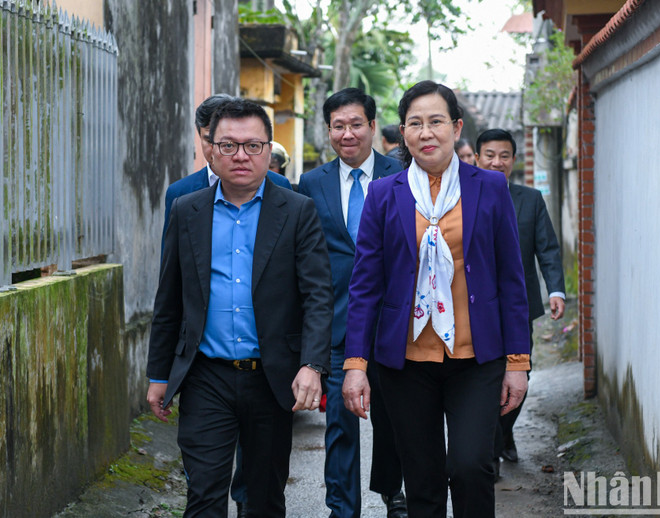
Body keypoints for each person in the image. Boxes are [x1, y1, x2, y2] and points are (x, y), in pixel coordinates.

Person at [341, 80, 531, 517]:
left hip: (477, 358)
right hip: (405, 363)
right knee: (422, 481)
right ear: (403, 134)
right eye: (415, 123)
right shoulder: (384, 194)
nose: (426, 132)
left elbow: (511, 279)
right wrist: (355, 366)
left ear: (456, 127)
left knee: (470, 466)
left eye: (436, 122)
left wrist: (518, 364)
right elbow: (365, 284)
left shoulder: (489, 188)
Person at [147, 99, 334, 517]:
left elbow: (318, 296)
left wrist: (312, 365)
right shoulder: (187, 210)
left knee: (265, 497)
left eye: (253, 146)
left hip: (271, 377)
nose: (241, 156)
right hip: (206, 377)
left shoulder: (297, 211)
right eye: (229, 145)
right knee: (205, 495)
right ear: (210, 149)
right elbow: (170, 299)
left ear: (269, 150)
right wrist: (159, 374)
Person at [299, 88, 407, 518]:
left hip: (394, 320)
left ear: (372, 126)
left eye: (355, 124)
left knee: (394, 419)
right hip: (336, 323)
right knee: (340, 423)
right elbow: (306, 256)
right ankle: (342, 507)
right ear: (328, 131)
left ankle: (393, 494)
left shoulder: (400, 172)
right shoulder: (311, 183)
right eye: (338, 126)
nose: (347, 133)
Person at [475, 128, 565, 465]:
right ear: (477, 158)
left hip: (518, 307)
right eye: (490, 155)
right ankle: (492, 450)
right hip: (475, 309)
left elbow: (547, 249)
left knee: (519, 374)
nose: (496, 162)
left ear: (514, 160)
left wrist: (555, 289)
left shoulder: (530, 199)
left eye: (504, 156)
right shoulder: (462, 198)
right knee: (482, 378)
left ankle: (504, 431)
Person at [161, 94, 293, 253]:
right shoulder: (180, 194)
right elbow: (171, 263)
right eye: (210, 140)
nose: (216, 148)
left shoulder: (279, 185)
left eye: (228, 143)